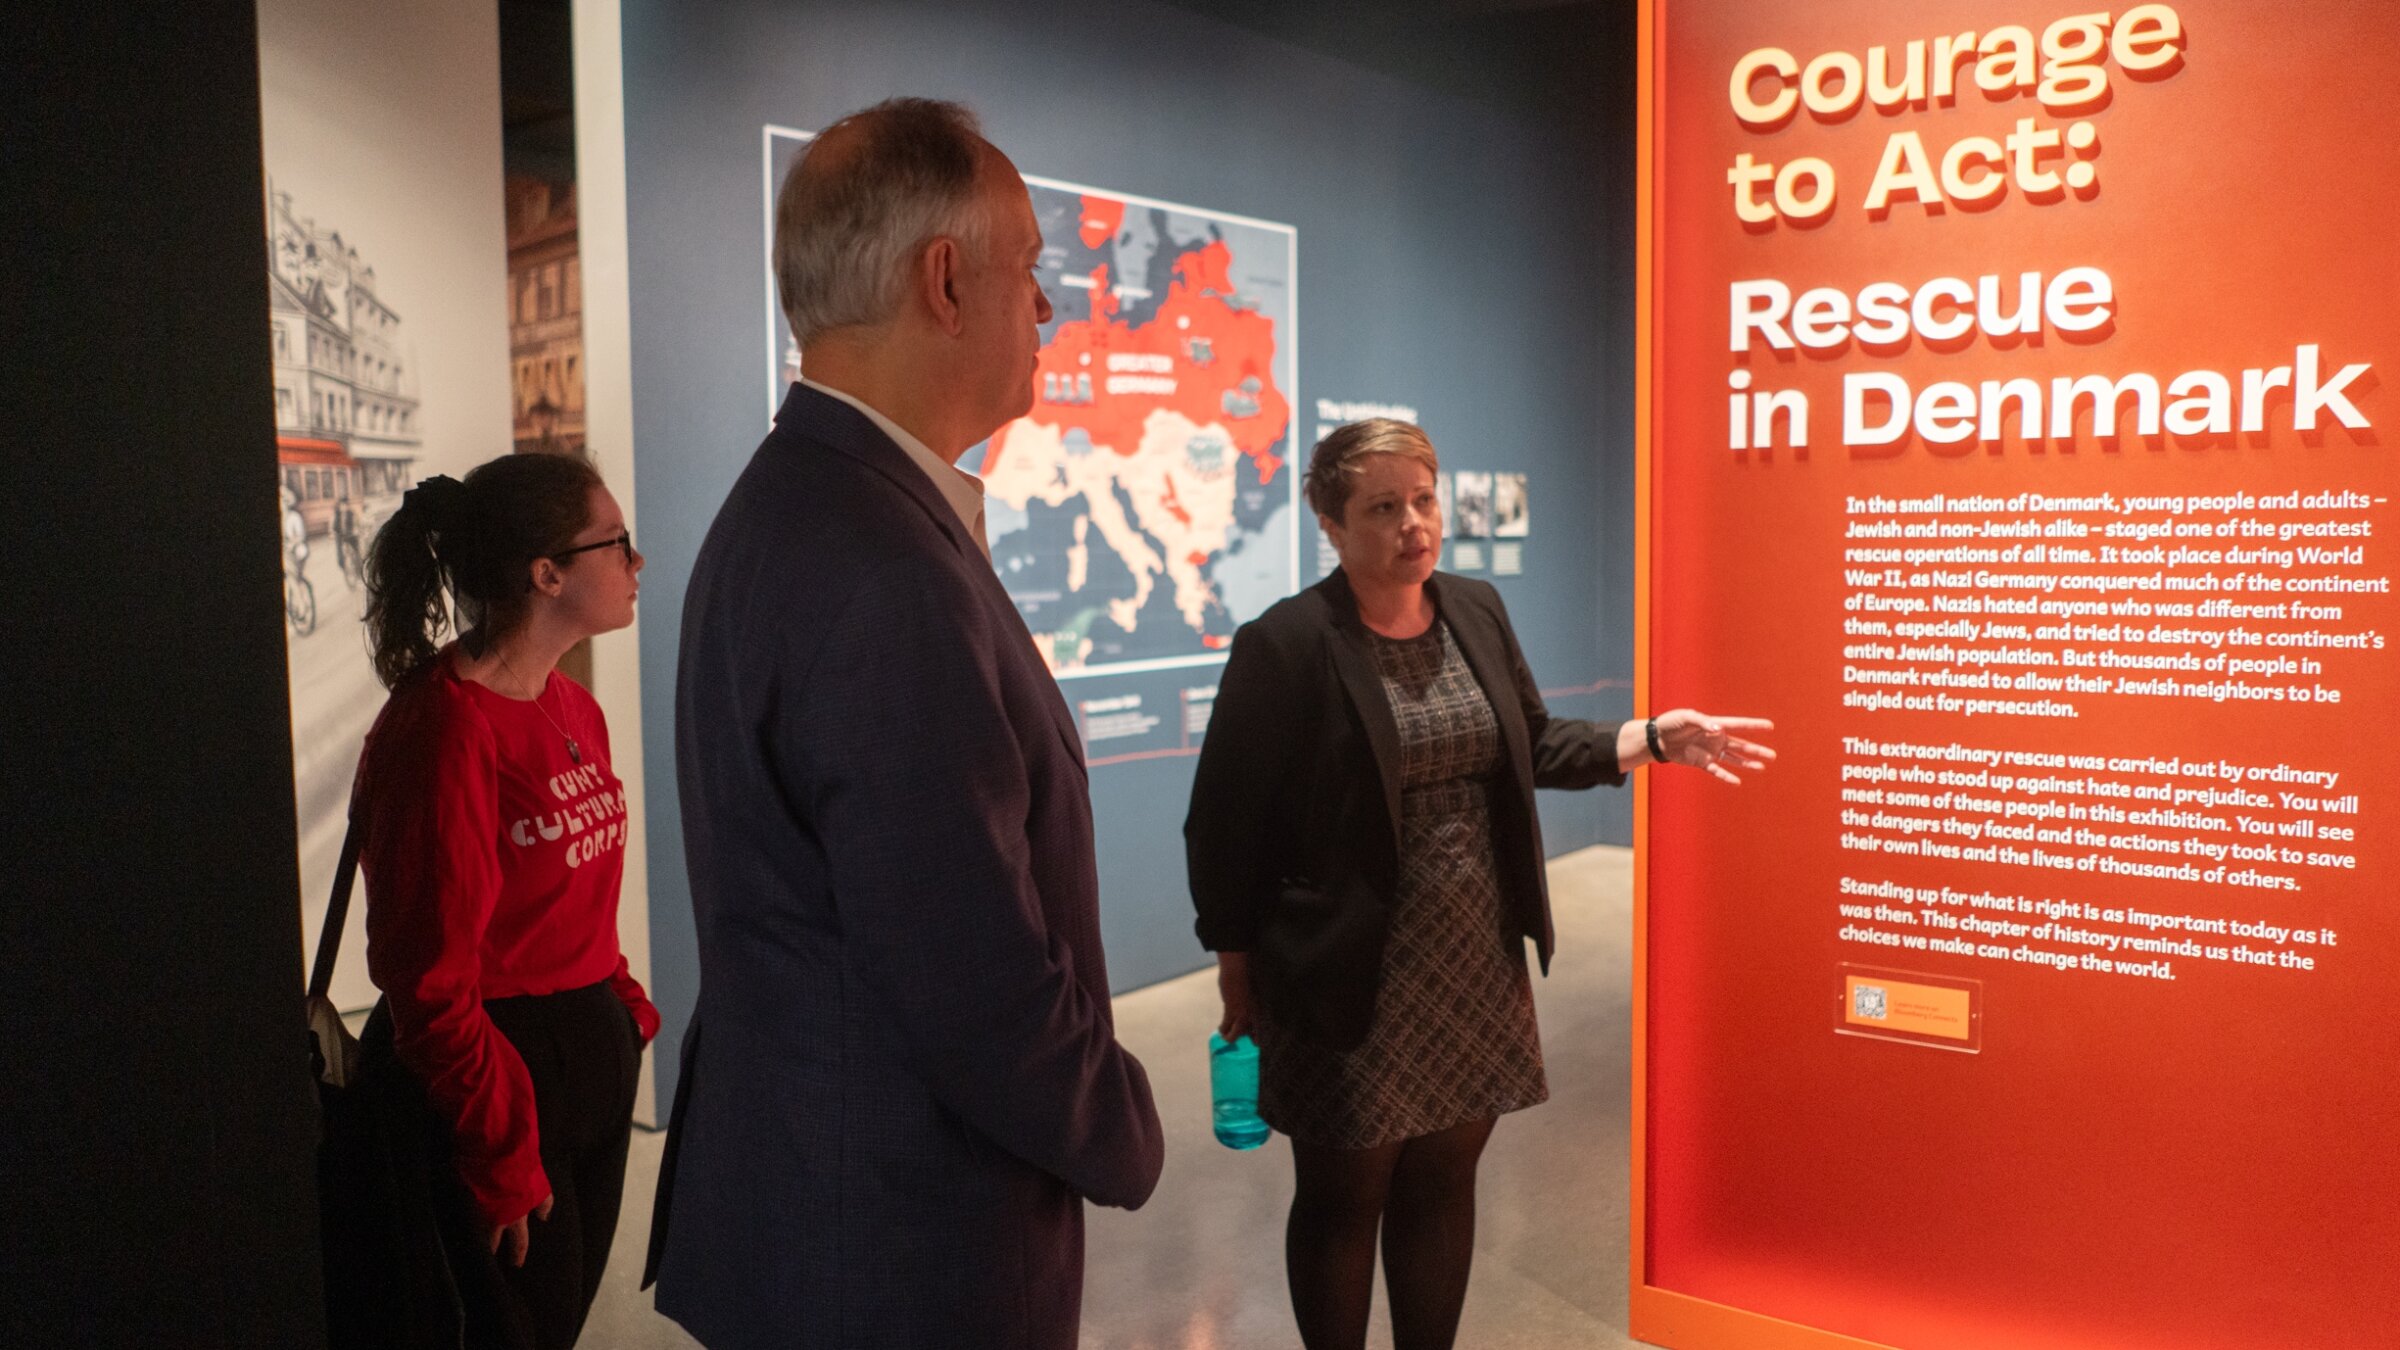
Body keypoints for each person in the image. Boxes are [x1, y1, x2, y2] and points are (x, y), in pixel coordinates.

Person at [646, 98, 1164, 1350]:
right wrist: (1123, 1125)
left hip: (817, 1218)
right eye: (1030, 268)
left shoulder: (795, 506)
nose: (1046, 309)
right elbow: (973, 980)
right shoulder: (880, 569)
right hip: (899, 1255)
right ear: (945, 280)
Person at [1185, 418, 1775, 1350]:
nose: (1415, 524)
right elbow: (1224, 822)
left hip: (1472, 955)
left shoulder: (1475, 609)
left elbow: (1529, 743)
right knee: (1346, 1195)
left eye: (1425, 499)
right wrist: (1236, 965)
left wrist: (1652, 737)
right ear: (1331, 525)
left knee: (1444, 1181)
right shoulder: (1289, 644)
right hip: (1350, 966)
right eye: (1384, 508)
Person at [348, 452, 657, 1350]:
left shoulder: (569, 705)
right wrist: (497, 1147)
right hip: (499, 1083)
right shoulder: (443, 728)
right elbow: (427, 979)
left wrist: (621, 1003)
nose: (638, 564)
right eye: (618, 544)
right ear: (546, 572)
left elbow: (566, 898)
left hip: (581, 1061)